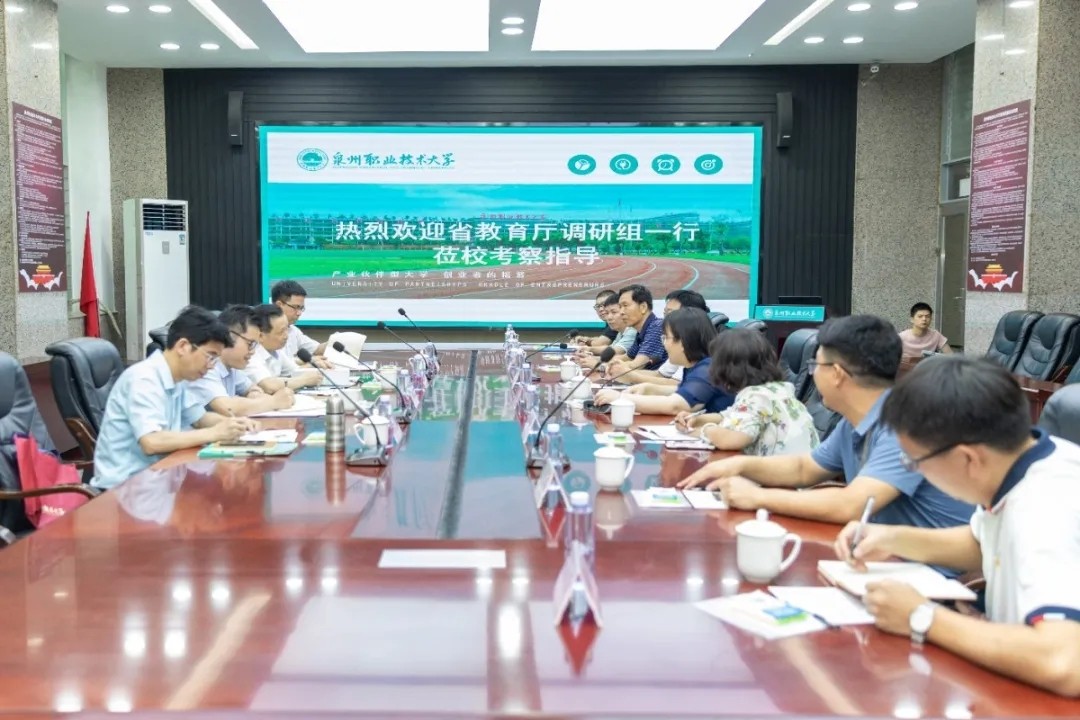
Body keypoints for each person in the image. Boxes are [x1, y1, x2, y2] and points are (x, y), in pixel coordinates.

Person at [833, 357, 1080, 697]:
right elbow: (983, 542)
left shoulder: (1045, 506)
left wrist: (922, 616)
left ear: (968, 458)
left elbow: (1064, 661)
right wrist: (891, 538)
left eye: (915, 462)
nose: (914, 470)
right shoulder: (1029, 462)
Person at [678, 315, 974, 532]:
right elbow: (804, 468)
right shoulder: (854, 421)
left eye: (815, 366)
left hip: (932, 579)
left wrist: (756, 496)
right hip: (880, 555)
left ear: (837, 374)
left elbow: (852, 504)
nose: (812, 374)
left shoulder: (905, 424)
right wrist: (739, 465)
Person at [91, 306, 256, 489]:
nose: (211, 366)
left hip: (161, 478)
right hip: (125, 488)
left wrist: (234, 424)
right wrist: (215, 433)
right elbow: (152, 442)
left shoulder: (178, 378)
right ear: (183, 346)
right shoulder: (144, 379)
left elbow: (200, 419)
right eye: (210, 356)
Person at [674, 328, 819, 456]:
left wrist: (700, 431)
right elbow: (732, 415)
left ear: (724, 368)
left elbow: (731, 439)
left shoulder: (757, 397)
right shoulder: (777, 389)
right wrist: (699, 419)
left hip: (784, 475)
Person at [594, 308, 732, 415]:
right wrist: (651, 388)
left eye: (666, 338)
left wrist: (620, 398)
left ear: (684, 340)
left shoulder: (707, 368)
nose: (664, 344)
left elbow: (676, 405)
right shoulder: (695, 366)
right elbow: (684, 390)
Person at [187, 304, 296, 416]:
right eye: (250, 344)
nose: (253, 351)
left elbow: (251, 388)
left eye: (255, 345)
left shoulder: (232, 367)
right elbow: (228, 408)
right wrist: (274, 402)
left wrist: (253, 394)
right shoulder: (206, 365)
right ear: (228, 336)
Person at [612, 289, 710, 385]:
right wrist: (622, 373)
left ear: (690, 315)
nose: (621, 312)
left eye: (670, 313)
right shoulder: (682, 345)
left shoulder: (657, 327)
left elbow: (676, 385)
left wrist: (629, 375)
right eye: (665, 313)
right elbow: (660, 374)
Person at [245, 304, 322, 392]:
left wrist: (315, 366)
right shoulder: (249, 354)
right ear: (260, 335)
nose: (286, 336)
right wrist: (304, 380)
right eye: (281, 332)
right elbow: (269, 386)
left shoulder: (275, 349)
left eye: (287, 329)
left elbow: (294, 371)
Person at [604, 284, 667, 374]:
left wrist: (601, 366)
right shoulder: (640, 332)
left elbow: (637, 365)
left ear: (643, 307)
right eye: (620, 307)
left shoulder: (657, 327)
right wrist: (597, 361)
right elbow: (628, 357)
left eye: (625, 305)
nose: (621, 312)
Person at [271, 279, 332, 369]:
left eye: (301, 308)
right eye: (296, 307)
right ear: (279, 305)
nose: (299, 313)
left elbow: (317, 349)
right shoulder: (265, 332)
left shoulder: (293, 330)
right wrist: (308, 364)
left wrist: (336, 340)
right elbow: (280, 368)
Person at [576, 294, 637, 368]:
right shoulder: (620, 332)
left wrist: (592, 356)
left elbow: (616, 351)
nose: (609, 317)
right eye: (607, 313)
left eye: (614, 312)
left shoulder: (632, 331)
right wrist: (589, 353)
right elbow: (611, 348)